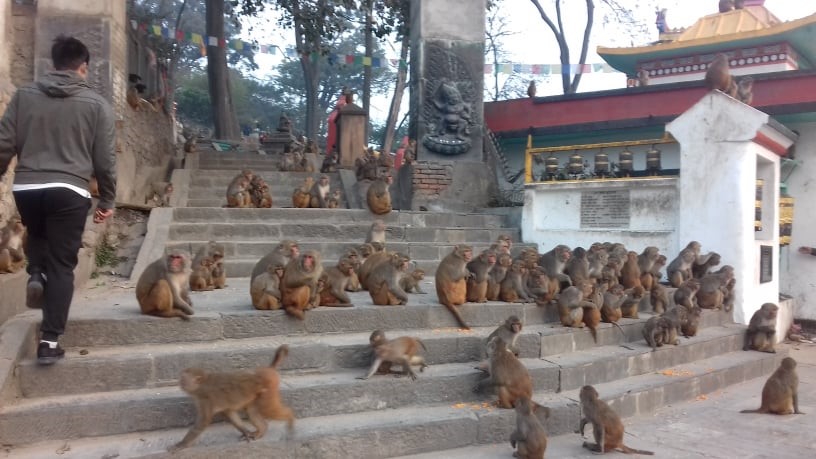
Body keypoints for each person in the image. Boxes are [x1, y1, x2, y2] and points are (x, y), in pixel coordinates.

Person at [0, 35, 117, 365]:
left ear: (52, 64)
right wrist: (107, 198)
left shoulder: (24, 95)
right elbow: (106, 160)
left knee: (37, 234)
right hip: (70, 189)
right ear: (83, 68)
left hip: (27, 186)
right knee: (64, 265)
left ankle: (36, 272)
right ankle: (49, 342)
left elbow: (4, 141)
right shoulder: (97, 105)